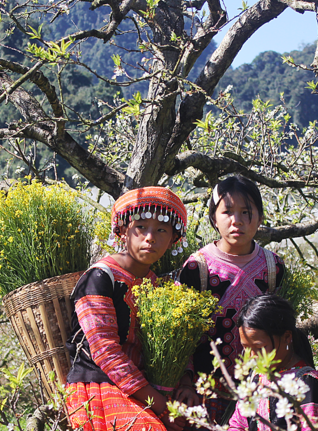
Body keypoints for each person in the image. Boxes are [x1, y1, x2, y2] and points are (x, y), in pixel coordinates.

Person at [65, 186, 189, 431]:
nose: (150, 237)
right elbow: (105, 352)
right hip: (97, 385)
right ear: (122, 231)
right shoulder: (101, 277)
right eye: (141, 227)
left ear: (173, 239)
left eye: (162, 229)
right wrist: (161, 406)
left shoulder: (157, 286)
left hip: (143, 390)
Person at [175, 175, 286, 421]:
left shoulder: (273, 267)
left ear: (260, 217)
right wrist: (185, 381)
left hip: (258, 387)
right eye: (227, 212)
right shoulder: (198, 268)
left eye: (246, 212)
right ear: (214, 218)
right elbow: (182, 333)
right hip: (205, 389)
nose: (237, 221)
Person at [229, 294, 318, 431]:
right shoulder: (256, 377)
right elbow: (237, 425)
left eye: (259, 348)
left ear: (287, 337)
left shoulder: (307, 384)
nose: (252, 356)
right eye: (246, 347)